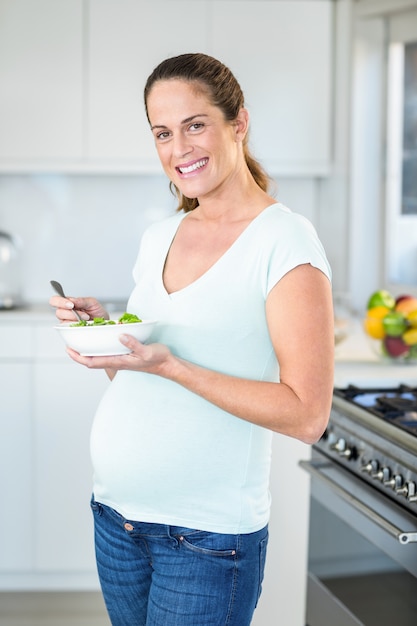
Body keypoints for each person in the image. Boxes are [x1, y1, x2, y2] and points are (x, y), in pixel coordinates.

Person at [50, 53, 334, 626]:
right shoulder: (161, 235)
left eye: (195, 124)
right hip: (117, 518)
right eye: (162, 132)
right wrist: (111, 338)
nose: (179, 148)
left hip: (205, 537)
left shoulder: (284, 240)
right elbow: (144, 376)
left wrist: (172, 366)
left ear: (239, 123)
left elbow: (308, 416)